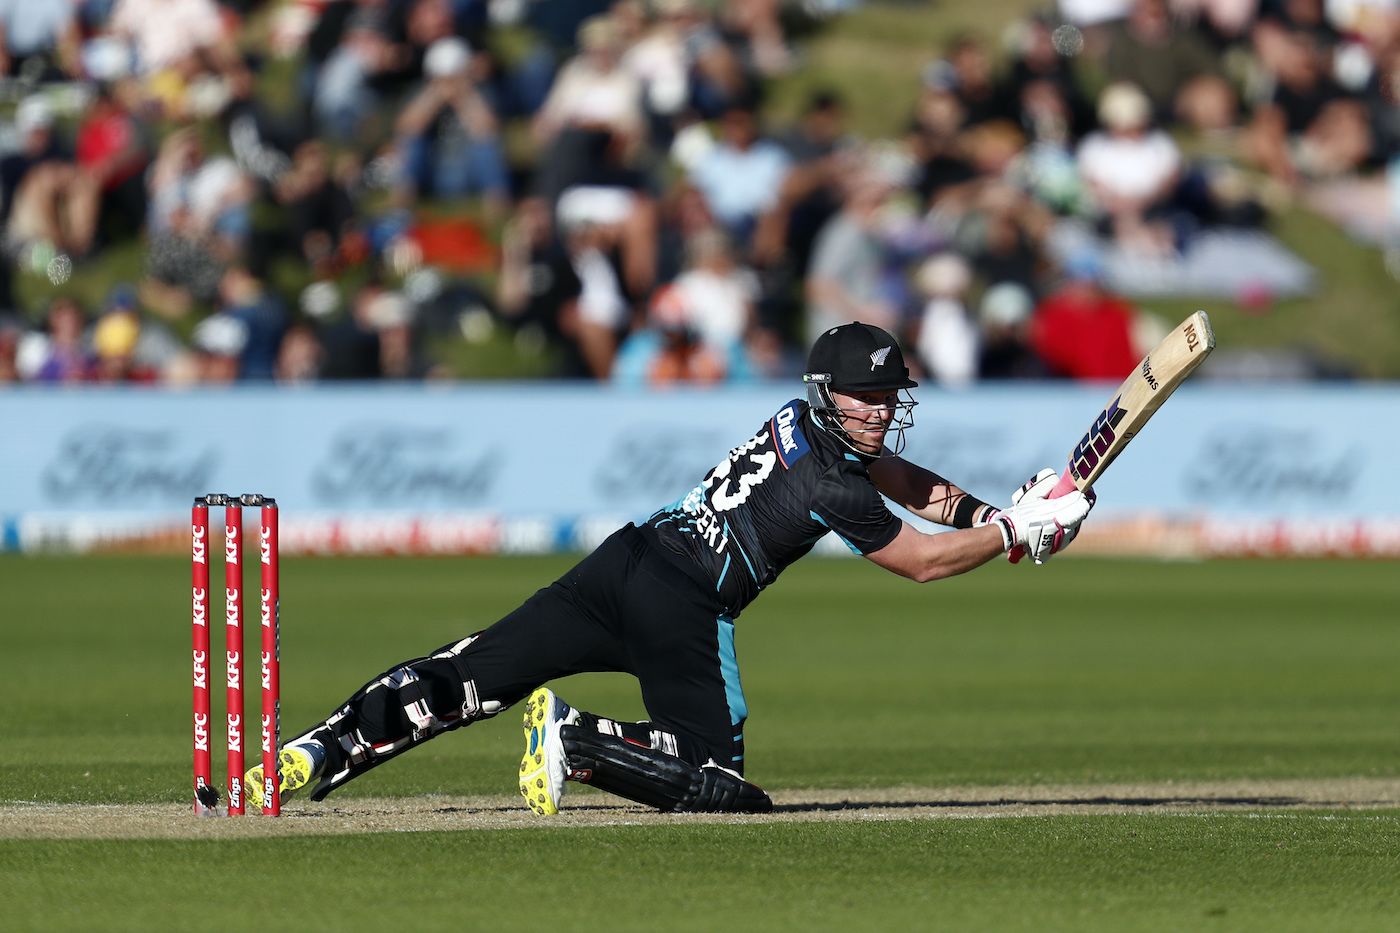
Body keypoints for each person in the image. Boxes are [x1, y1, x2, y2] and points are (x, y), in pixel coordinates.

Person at [242, 322, 1094, 815]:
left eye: (888, 397)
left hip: (623, 560)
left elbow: (912, 486)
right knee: (723, 782)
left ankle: (317, 750)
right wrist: (1018, 536)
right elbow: (924, 564)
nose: (879, 412)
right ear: (829, 395)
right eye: (865, 398)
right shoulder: (831, 480)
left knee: (471, 673)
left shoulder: (798, 421)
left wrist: (996, 514)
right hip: (683, 605)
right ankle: (576, 738)